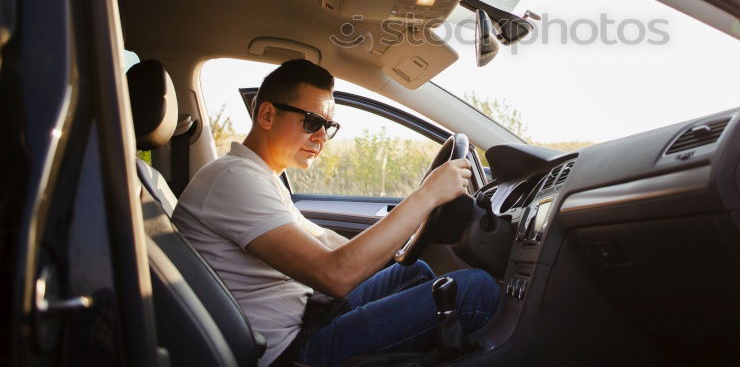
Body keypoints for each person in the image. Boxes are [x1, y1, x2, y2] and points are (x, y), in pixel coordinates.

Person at [173, 59, 500, 366]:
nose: (320, 138)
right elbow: (335, 275)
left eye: (328, 127)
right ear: (267, 115)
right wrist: (425, 197)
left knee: (412, 272)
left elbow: (324, 240)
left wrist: (403, 231)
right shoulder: (234, 180)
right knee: (476, 289)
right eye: (312, 122)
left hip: (307, 316)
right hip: (288, 350)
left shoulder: (258, 177)